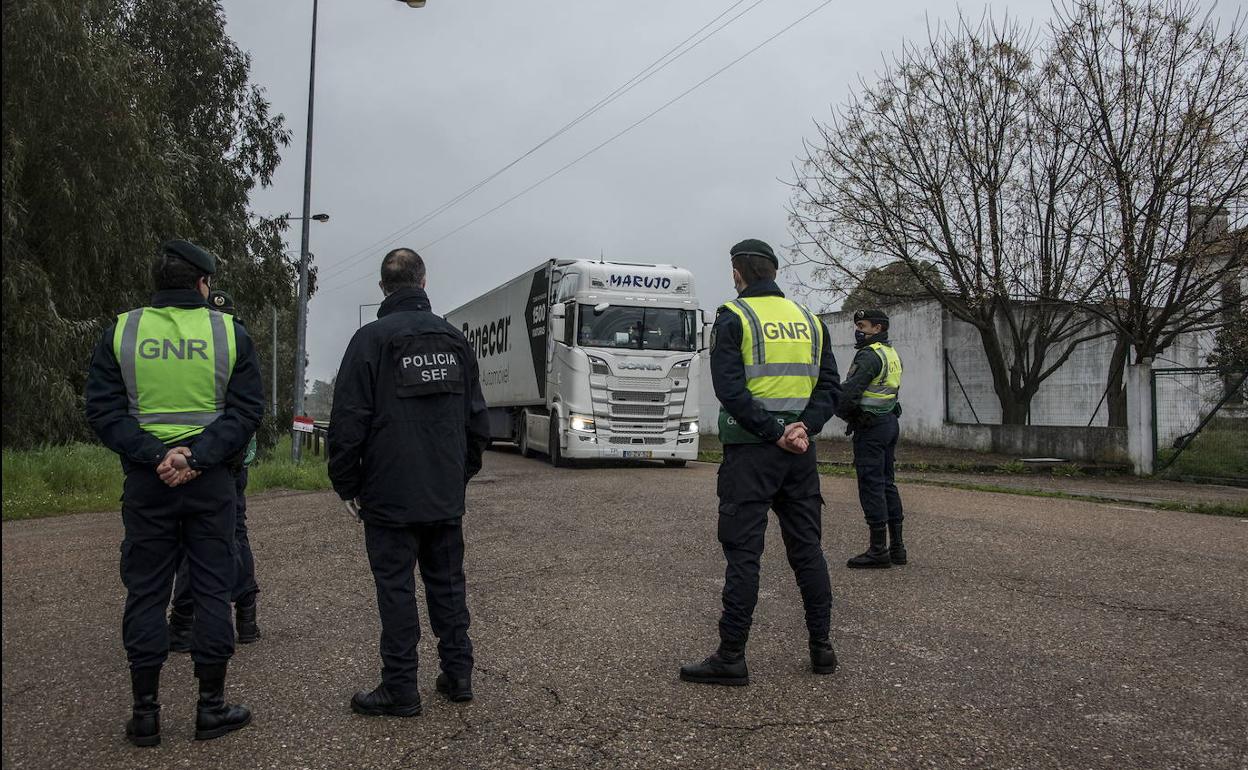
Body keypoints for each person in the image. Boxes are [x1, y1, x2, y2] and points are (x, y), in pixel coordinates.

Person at [85, 240, 264, 746]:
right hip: (210, 483)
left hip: (148, 482)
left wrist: (154, 456)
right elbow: (246, 412)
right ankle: (211, 708)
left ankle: (145, 715)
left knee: (146, 591)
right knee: (211, 587)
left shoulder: (123, 330)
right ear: (203, 284)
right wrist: (197, 457)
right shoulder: (228, 331)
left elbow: (102, 410)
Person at [329, 247, 490, 717]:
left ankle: (401, 688)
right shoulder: (454, 340)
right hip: (442, 493)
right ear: (423, 283)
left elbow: (348, 420)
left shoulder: (369, 340)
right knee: (448, 584)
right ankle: (458, 675)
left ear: (383, 288)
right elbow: (477, 422)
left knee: (396, 589)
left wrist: (346, 483)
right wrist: (457, 475)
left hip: (388, 494)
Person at [680, 238, 842, 686]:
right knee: (807, 551)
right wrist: (802, 429)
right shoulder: (810, 321)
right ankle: (822, 650)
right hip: (800, 456)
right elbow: (830, 387)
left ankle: (731, 657)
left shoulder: (733, 317)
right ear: (773, 271)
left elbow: (730, 390)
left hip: (752, 454)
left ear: (738, 273)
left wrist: (774, 432)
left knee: (744, 555)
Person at [168, 290, 262, 653]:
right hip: (233, 457)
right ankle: (247, 616)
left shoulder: (196, 349)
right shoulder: (236, 345)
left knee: (196, 541)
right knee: (236, 533)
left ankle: (184, 620)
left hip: (207, 459)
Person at [838, 308, 906, 569]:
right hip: (889, 422)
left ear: (878, 328)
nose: (859, 330)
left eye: (864, 326)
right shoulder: (891, 353)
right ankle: (897, 547)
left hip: (871, 426)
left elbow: (847, 395)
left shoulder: (869, 355)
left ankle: (878, 550)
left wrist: (848, 415)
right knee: (888, 483)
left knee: (871, 485)